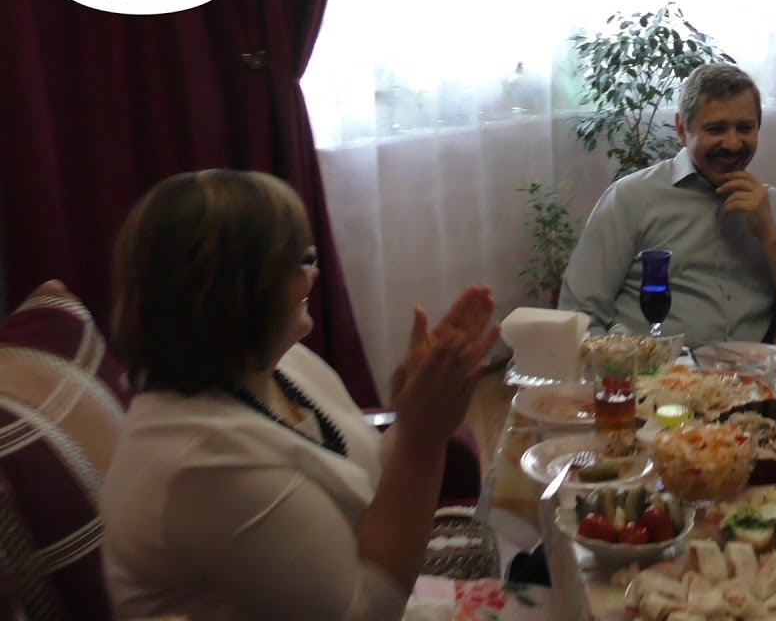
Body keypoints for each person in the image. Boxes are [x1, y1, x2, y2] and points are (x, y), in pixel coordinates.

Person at [101, 170, 499, 620]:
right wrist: (422, 442)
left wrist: (413, 413)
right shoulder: (204, 466)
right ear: (237, 292)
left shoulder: (279, 366)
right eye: (302, 260)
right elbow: (367, 610)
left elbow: (361, 478)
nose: (314, 274)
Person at [558, 63, 776, 348]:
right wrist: (616, 369)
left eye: (745, 128)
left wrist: (769, 236)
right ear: (682, 129)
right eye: (716, 129)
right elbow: (579, 316)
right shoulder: (630, 198)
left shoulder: (772, 206)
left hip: (750, 372)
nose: (732, 143)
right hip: (651, 370)